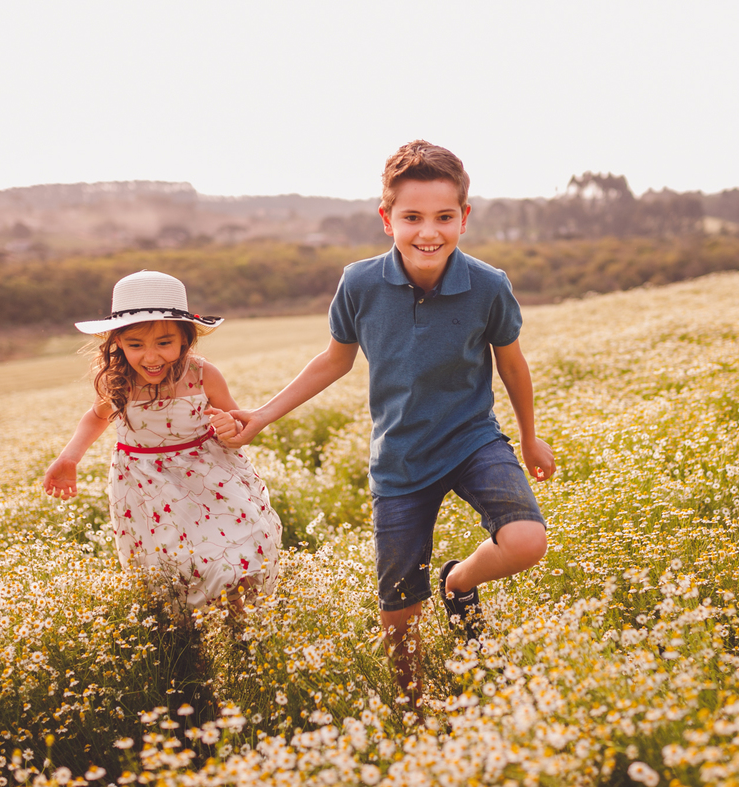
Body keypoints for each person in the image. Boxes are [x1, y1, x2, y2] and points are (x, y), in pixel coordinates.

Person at [228, 140, 556, 710]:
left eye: (443, 217)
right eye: (412, 218)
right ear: (387, 220)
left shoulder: (489, 285)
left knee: (527, 540)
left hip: (473, 440)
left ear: (464, 218)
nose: (428, 232)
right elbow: (334, 360)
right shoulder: (359, 284)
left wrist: (528, 435)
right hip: (400, 461)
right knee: (399, 613)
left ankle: (459, 583)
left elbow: (511, 362)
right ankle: (413, 708)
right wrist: (259, 416)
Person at [42, 270, 281, 623]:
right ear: (117, 342)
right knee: (173, 568)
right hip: (146, 487)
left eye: (164, 343)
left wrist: (230, 427)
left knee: (240, 550)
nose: (151, 357)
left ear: (186, 339)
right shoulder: (117, 382)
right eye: (136, 345)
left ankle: (241, 633)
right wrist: (69, 457)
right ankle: (192, 641)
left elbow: (235, 420)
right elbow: (95, 418)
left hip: (210, 478)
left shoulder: (203, 375)